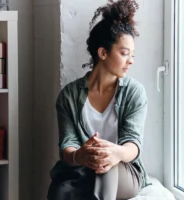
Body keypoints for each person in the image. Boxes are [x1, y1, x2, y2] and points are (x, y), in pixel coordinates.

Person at [47, 0, 151, 199]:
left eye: (132, 55)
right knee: (61, 189)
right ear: (103, 53)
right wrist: (80, 155)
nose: (131, 60)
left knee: (107, 165)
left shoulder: (134, 93)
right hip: (81, 170)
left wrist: (113, 153)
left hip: (124, 171)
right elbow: (67, 145)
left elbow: (133, 144)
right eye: (124, 53)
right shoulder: (69, 95)